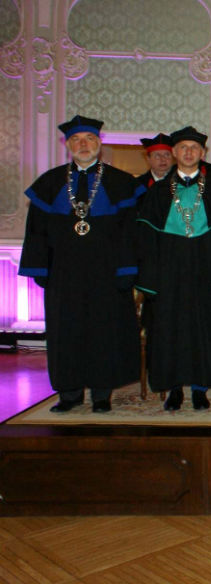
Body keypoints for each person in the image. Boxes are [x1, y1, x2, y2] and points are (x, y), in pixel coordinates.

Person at [18, 115, 141, 413]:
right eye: (76, 140)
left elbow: (130, 232)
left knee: (104, 332)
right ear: (67, 145)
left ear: (99, 143)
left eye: (89, 139)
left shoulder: (121, 183)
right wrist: (40, 269)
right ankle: (69, 394)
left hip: (107, 273)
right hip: (64, 274)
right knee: (66, 332)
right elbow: (36, 230)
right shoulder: (50, 182)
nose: (83, 144)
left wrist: (127, 269)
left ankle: (101, 395)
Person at [135, 126, 211, 411]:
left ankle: (201, 388)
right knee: (170, 330)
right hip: (169, 275)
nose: (189, 152)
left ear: (203, 153)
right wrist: (151, 278)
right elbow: (146, 240)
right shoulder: (157, 194)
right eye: (183, 148)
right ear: (174, 153)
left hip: (206, 273)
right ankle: (175, 389)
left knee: (205, 330)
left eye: (194, 148)